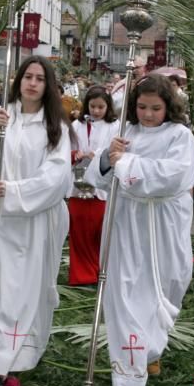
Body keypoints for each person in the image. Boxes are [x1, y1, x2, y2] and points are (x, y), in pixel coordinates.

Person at [85, 74, 194, 386]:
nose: (148, 114)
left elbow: (174, 175)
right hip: (126, 224)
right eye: (142, 107)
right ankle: (126, 379)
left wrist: (129, 162)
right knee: (125, 293)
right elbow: (98, 179)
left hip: (163, 224)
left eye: (156, 108)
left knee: (167, 287)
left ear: (169, 107)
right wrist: (108, 157)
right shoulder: (125, 133)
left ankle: (151, 349)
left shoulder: (180, 136)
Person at [0, 56, 72, 386]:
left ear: (48, 85)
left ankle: (4, 365)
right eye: (28, 76)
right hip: (0, 218)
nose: (33, 83)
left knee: (27, 289)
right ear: (19, 79)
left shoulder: (55, 126)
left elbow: (57, 176)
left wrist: (14, 190)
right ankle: (0, 355)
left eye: (40, 78)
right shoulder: (1, 115)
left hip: (36, 220)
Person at [67, 86, 120, 286]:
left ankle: (101, 271)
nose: (96, 111)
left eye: (101, 107)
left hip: (102, 188)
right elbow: (66, 150)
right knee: (79, 232)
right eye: (92, 106)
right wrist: (76, 155)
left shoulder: (114, 127)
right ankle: (81, 275)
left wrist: (97, 155)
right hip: (78, 185)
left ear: (108, 107)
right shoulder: (76, 125)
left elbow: (115, 151)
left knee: (100, 230)